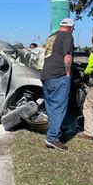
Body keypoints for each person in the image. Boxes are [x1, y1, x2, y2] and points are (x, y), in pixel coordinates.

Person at [40, 18, 74, 151]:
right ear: (71, 28)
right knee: (59, 106)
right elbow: (67, 56)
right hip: (58, 75)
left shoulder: (51, 37)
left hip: (46, 74)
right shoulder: (68, 36)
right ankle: (52, 137)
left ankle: (54, 132)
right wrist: (68, 74)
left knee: (51, 105)